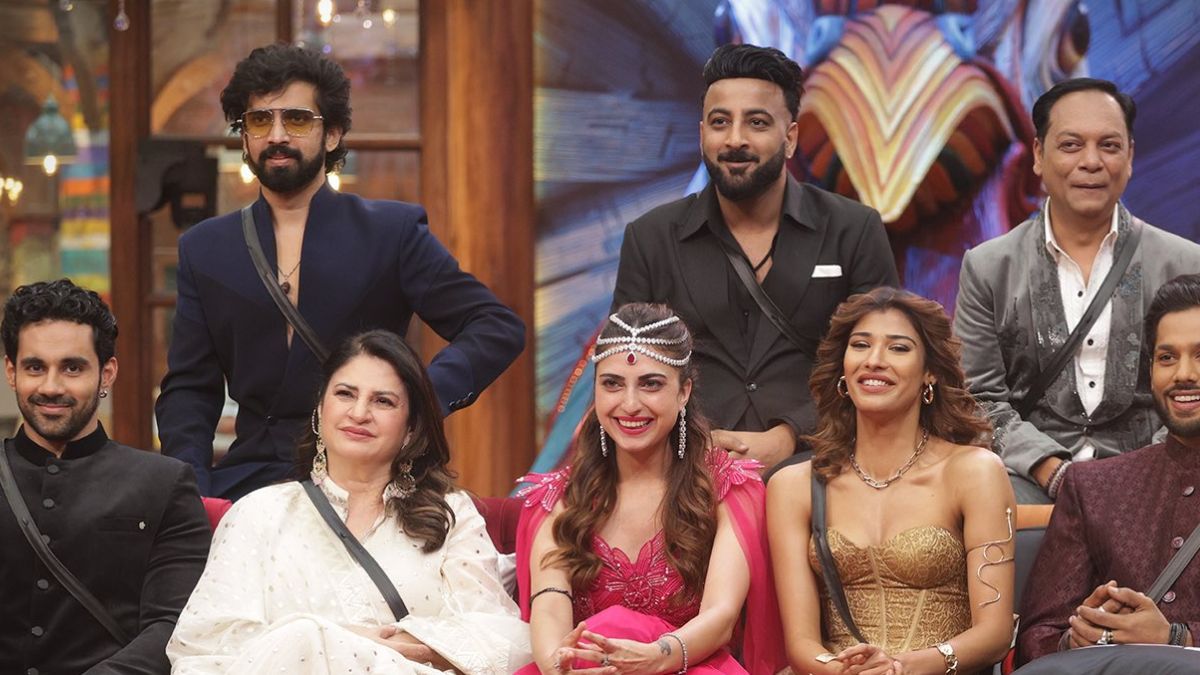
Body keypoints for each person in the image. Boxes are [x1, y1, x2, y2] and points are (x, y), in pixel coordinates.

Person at [156, 44, 525, 500]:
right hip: (251, 486)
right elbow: (190, 389)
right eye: (259, 120)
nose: (276, 135)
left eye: (296, 120)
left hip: (371, 479)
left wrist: (414, 400)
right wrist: (191, 494)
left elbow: (495, 326)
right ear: (244, 135)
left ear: (331, 134)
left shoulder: (390, 232)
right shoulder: (205, 248)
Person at [166, 329, 530, 673]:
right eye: (345, 394)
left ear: (411, 427)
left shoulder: (451, 514)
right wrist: (329, 639)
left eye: (383, 401)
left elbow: (500, 636)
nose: (359, 413)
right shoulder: (258, 512)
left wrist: (401, 646)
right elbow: (201, 646)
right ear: (319, 409)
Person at [612, 43, 898, 471]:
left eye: (757, 122)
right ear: (702, 134)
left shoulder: (853, 229)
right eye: (720, 122)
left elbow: (882, 364)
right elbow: (625, 368)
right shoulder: (651, 237)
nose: (735, 139)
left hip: (825, 465)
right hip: (685, 470)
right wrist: (696, 441)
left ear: (790, 137)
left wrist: (790, 436)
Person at [954, 77, 1200, 504]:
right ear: (1038, 154)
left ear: (1130, 156)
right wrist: (1051, 471)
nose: (1091, 161)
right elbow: (977, 398)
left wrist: (1142, 472)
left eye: (1109, 145)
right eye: (1071, 145)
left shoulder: (1185, 264)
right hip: (1030, 482)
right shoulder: (989, 268)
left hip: (1160, 479)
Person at [514, 303, 786, 674]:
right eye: (612, 384)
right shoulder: (560, 498)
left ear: (684, 392)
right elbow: (549, 604)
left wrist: (656, 657)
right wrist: (555, 666)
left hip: (685, 665)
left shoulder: (727, 488)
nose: (630, 404)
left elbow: (721, 615)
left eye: (651, 384)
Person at [768, 287, 1016, 675]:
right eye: (860, 345)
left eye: (898, 348)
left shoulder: (975, 472)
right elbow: (801, 645)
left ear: (930, 371)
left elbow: (995, 634)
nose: (874, 360)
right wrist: (847, 672)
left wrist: (902, 667)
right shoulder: (792, 485)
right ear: (843, 367)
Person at [1, 278, 211, 674]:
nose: (51, 386)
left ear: (107, 373)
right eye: (35, 367)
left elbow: (175, 625)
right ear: (11, 371)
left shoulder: (164, 485)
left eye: (72, 368)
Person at [1015, 273, 1200, 667]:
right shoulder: (1094, 488)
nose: (1183, 373)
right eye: (1167, 357)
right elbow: (1036, 638)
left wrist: (1177, 637)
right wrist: (1078, 636)